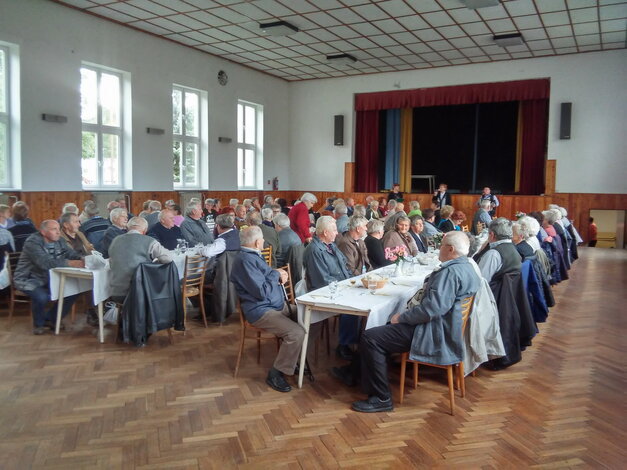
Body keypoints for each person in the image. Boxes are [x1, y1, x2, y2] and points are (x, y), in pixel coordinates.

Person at [351, 231, 480, 412]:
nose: (438, 250)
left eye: (441, 246)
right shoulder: (467, 266)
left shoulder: (449, 273)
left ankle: (381, 398)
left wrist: (402, 317)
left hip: (432, 332)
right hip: (446, 328)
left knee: (371, 337)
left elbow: (432, 310)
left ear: (450, 249)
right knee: (383, 329)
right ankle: (356, 374)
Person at [230, 226, 305, 393]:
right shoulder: (245, 260)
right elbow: (261, 291)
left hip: (274, 305)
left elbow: (264, 279)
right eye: (262, 239)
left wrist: (275, 273)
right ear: (257, 242)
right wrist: (276, 274)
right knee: (296, 333)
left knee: (309, 316)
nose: (263, 241)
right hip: (261, 311)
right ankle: (276, 373)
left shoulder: (252, 256)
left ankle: (294, 360)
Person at [13, 220, 85, 335]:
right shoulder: (33, 242)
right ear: (43, 232)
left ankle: (51, 319)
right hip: (28, 278)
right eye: (54, 229)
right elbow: (44, 262)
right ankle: (39, 324)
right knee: (42, 297)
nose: (58, 232)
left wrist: (83, 259)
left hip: (49, 278)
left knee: (73, 291)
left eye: (58, 229)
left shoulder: (60, 240)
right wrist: (70, 263)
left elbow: (71, 254)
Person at [303, 216, 354, 360]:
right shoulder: (314, 250)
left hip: (339, 286)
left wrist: (353, 281)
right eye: (334, 230)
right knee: (352, 308)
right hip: (322, 293)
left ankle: (353, 342)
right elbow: (322, 280)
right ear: (325, 232)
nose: (337, 233)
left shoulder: (331, 245)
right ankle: (344, 345)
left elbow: (344, 267)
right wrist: (346, 286)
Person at [108, 217, 173, 301]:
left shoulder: (115, 240)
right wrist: (156, 261)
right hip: (141, 294)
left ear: (127, 228)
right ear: (145, 230)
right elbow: (168, 259)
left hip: (116, 292)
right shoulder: (150, 241)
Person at [473, 218, 521, 283]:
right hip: (509, 291)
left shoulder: (493, 254)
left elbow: (479, 281)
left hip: (492, 291)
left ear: (492, 235)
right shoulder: (514, 248)